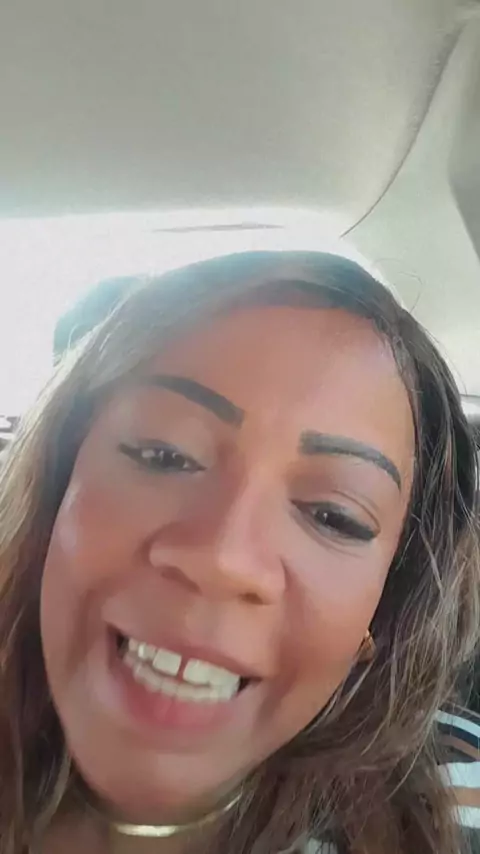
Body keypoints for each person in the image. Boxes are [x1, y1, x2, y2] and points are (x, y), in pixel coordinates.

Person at [0, 251, 479, 854]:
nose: (223, 559)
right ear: (58, 483)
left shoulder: (456, 805)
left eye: (333, 515)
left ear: (381, 610)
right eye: (165, 455)